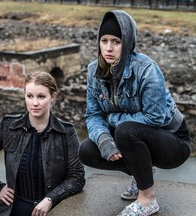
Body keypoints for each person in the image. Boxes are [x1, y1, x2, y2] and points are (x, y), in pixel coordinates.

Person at [78, 10, 191, 216]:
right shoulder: (93, 71)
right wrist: (103, 138)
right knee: (87, 150)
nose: (109, 48)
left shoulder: (146, 69)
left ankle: (147, 199)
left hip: (172, 140)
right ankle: (142, 174)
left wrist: (113, 119)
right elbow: (93, 114)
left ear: (128, 42)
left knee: (124, 130)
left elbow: (156, 118)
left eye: (116, 41)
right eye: (104, 40)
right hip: (134, 137)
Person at [0, 71, 85, 216]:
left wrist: (51, 198)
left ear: (53, 97)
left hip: (50, 210)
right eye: (30, 96)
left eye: (41, 96)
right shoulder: (9, 126)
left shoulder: (66, 132)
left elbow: (77, 177)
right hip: (13, 210)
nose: (35, 103)